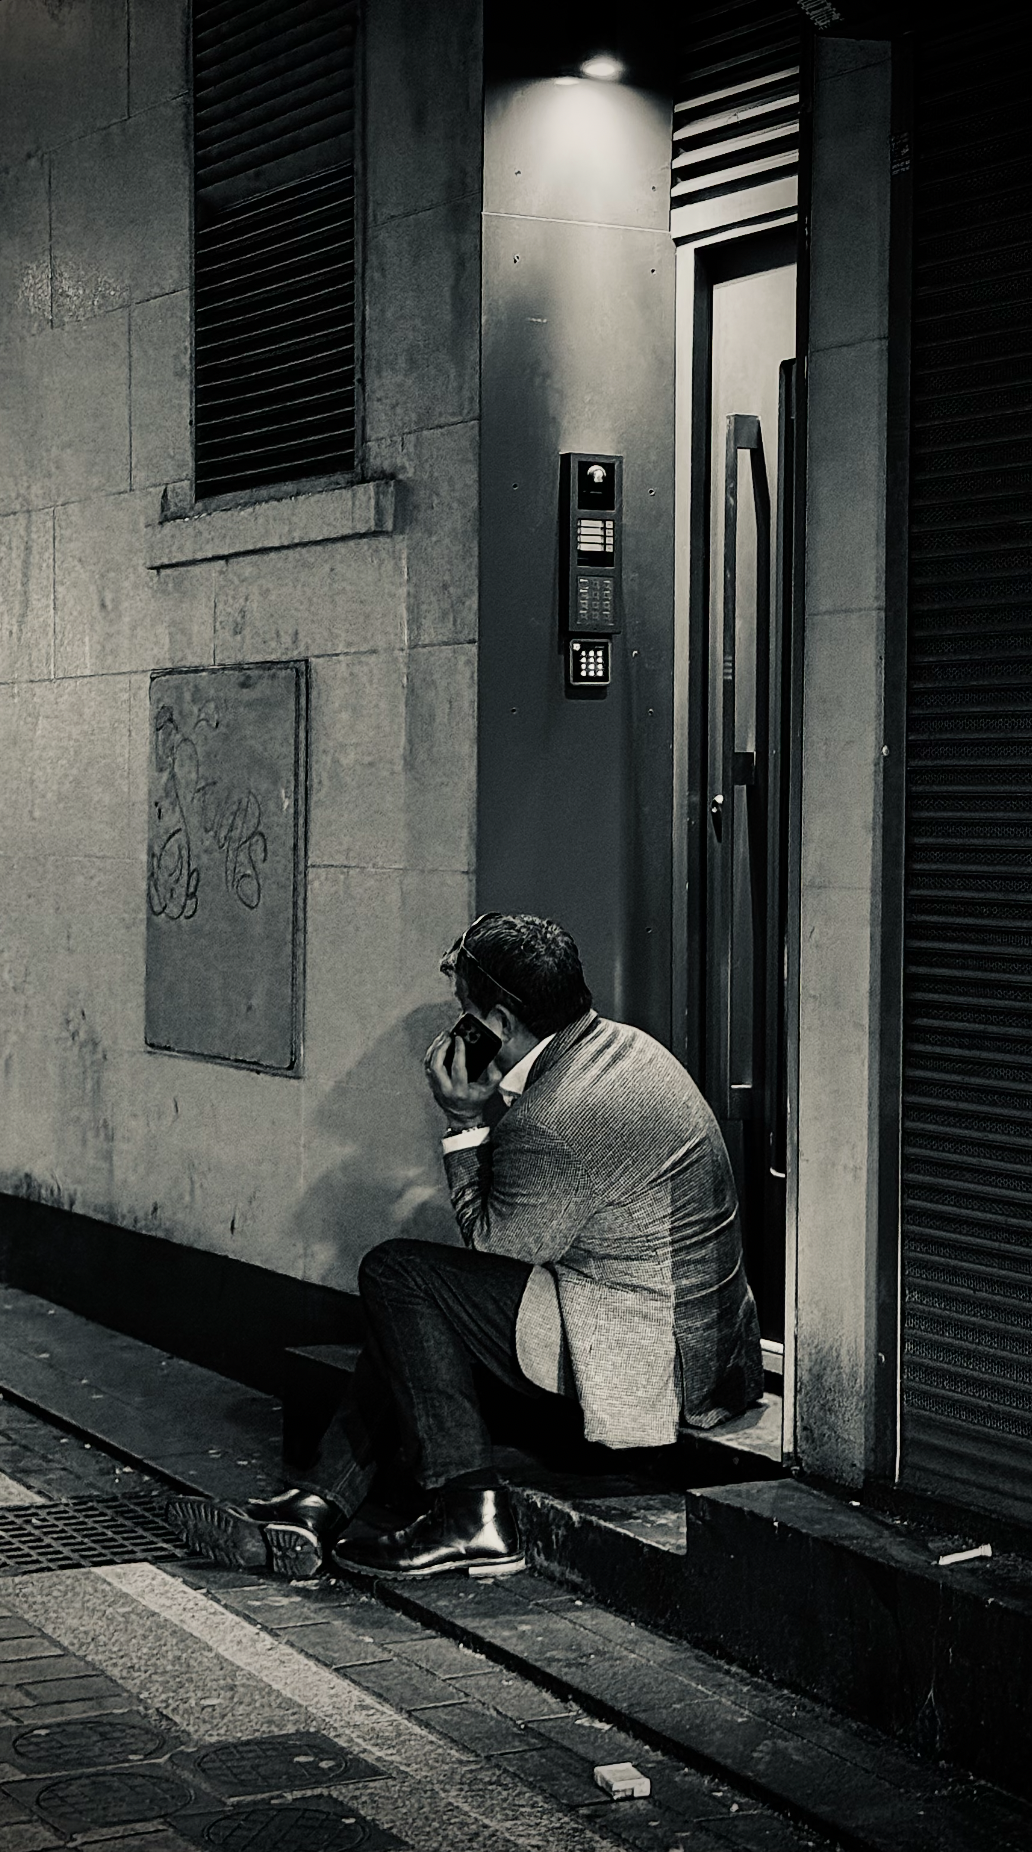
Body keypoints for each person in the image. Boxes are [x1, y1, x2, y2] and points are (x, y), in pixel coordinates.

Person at [168, 912, 763, 1580]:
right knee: (417, 1317)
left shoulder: (559, 1117)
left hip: (653, 1362)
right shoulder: (623, 1049)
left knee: (399, 1276)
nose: (454, 1025)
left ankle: (470, 1514)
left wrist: (462, 1122)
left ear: (499, 1025)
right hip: (702, 1341)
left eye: (463, 1011)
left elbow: (494, 1248)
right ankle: (313, 1509)